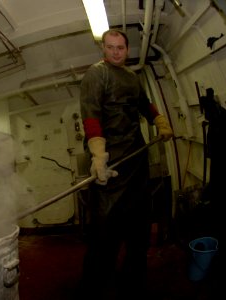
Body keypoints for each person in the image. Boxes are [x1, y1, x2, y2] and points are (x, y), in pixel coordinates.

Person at [79, 29, 173, 299]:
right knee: (104, 234)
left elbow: (146, 106)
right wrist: (98, 155)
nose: (116, 52)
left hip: (137, 158)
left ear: (127, 49)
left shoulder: (132, 78)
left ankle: (133, 282)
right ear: (103, 49)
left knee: (139, 229)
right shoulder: (97, 74)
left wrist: (160, 122)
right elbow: (91, 116)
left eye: (121, 47)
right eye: (110, 47)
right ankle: (94, 288)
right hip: (111, 163)